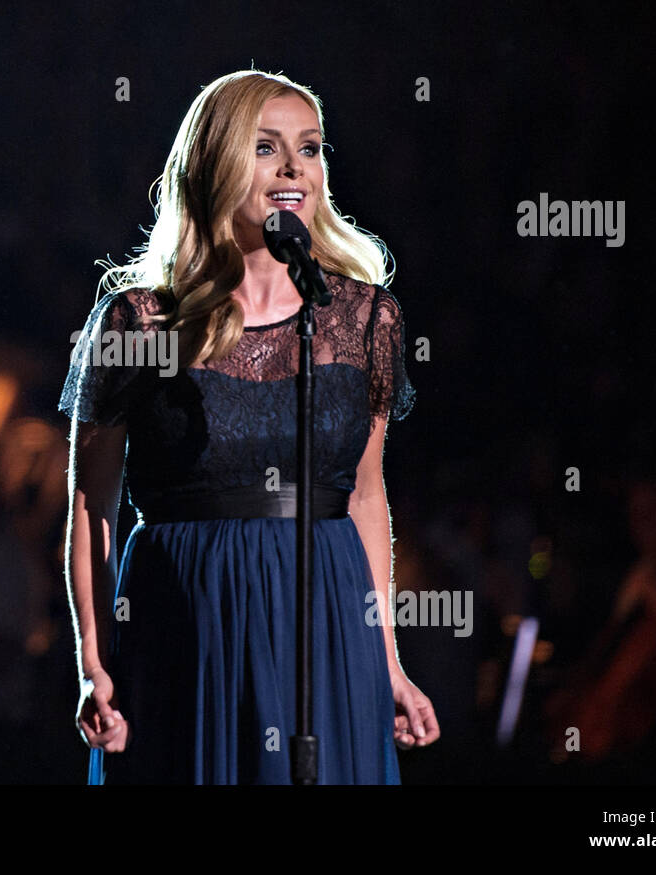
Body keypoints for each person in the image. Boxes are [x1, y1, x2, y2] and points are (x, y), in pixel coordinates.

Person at [59, 69, 440, 784]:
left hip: (323, 611)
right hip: (186, 618)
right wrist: (95, 661)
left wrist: (387, 658)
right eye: (266, 147)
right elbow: (91, 505)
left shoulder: (363, 319)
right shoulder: (138, 322)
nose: (295, 166)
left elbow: (364, 496)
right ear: (215, 163)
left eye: (311, 147)